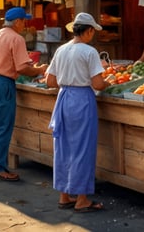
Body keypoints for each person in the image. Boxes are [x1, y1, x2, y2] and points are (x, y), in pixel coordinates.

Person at [45, 12, 108, 212]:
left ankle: (64, 196)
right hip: (82, 99)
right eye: (92, 31)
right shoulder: (89, 52)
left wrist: (67, 82)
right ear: (89, 31)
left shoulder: (61, 49)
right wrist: (107, 83)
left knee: (63, 148)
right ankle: (81, 200)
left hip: (63, 99)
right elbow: (97, 83)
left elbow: (50, 81)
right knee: (83, 148)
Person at [0, 7, 47, 181]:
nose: (24, 25)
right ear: (17, 22)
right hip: (3, 84)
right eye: (23, 21)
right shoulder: (16, 38)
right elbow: (22, 68)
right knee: (3, 126)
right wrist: (39, 70)